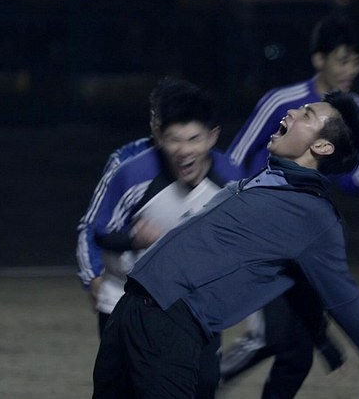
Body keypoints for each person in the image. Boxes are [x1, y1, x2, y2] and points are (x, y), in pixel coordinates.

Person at [92, 90, 359, 399]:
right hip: (130, 309)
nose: (292, 112)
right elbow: (297, 286)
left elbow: (345, 302)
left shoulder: (317, 219)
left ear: (322, 147)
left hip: (169, 322)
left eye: (307, 114)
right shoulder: (261, 182)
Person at [220, 13, 359, 396]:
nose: (350, 69)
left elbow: (349, 172)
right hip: (257, 227)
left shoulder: (357, 109)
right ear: (319, 60)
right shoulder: (282, 101)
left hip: (301, 229)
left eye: (356, 61)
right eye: (342, 60)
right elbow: (233, 160)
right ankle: (196, 383)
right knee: (276, 338)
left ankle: (320, 339)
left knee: (294, 354)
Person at [81, 78, 243, 398]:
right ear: (159, 137)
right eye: (175, 140)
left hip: (196, 306)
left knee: (203, 384)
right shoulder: (132, 173)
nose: (185, 150)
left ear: (212, 136)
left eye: (194, 139)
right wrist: (132, 240)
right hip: (124, 301)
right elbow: (98, 231)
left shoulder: (232, 180)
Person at [76, 80, 173, 315]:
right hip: (126, 292)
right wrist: (93, 276)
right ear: (152, 121)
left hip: (186, 296)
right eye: (158, 118)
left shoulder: (215, 166)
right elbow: (93, 225)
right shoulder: (126, 161)